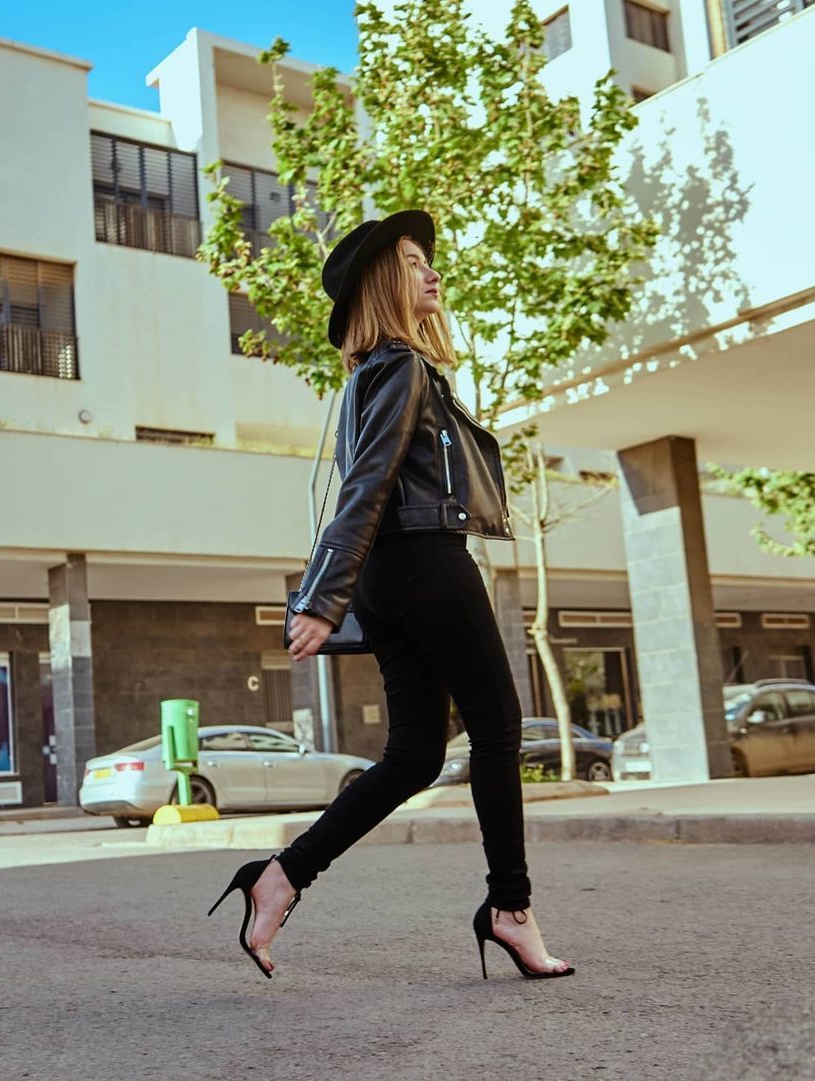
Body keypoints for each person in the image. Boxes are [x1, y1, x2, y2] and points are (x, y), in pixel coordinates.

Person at [208, 209, 574, 982]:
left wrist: (338, 589)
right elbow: (367, 484)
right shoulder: (401, 366)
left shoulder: (371, 376)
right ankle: (510, 908)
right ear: (383, 284)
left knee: (413, 755)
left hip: (388, 575)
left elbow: (366, 483)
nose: (432, 271)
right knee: (498, 728)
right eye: (412, 262)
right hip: (423, 561)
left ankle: (280, 877)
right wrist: (321, 596)